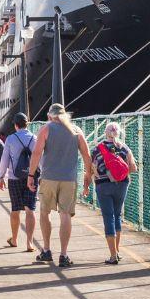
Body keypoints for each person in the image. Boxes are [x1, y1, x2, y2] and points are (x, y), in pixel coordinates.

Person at [27, 103, 92, 267]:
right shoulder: (76, 130)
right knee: (65, 215)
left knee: (44, 212)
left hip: (49, 178)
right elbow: (86, 155)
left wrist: (30, 175)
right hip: (69, 179)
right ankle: (64, 255)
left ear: (50, 116)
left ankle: (47, 250)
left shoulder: (46, 128)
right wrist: (88, 176)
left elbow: (36, 153)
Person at [84, 121, 138, 264]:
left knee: (109, 217)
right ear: (118, 133)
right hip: (122, 185)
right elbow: (133, 168)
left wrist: (87, 185)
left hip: (103, 186)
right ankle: (117, 251)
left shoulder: (97, 149)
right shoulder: (124, 148)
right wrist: (119, 173)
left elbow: (90, 170)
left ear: (105, 133)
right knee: (117, 215)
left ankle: (113, 256)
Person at [0, 112, 38, 251]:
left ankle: (14, 239)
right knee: (30, 209)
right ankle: (30, 242)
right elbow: (40, 158)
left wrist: (0, 177)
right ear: (27, 124)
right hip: (32, 177)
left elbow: (4, 159)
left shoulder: (11, 139)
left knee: (15, 209)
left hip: (14, 178)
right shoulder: (34, 138)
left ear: (15, 125)